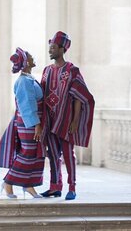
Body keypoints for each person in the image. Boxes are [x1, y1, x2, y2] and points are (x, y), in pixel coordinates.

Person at [40, 31, 94, 201]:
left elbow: (79, 96)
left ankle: (72, 187)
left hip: (65, 120)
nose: (50, 50)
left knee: (68, 155)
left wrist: (76, 120)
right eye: (50, 47)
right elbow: (41, 94)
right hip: (50, 120)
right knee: (53, 154)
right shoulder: (46, 71)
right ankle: (55, 186)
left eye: (53, 47)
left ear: (62, 49)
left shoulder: (72, 70)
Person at [0, 47, 45, 199]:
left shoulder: (28, 79)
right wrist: (37, 125)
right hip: (29, 123)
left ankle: (28, 185)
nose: (33, 58)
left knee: (33, 154)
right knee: (27, 153)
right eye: (30, 57)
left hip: (32, 122)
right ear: (26, 62)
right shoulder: (24, 81)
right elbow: (27, 105)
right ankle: (8, 182)